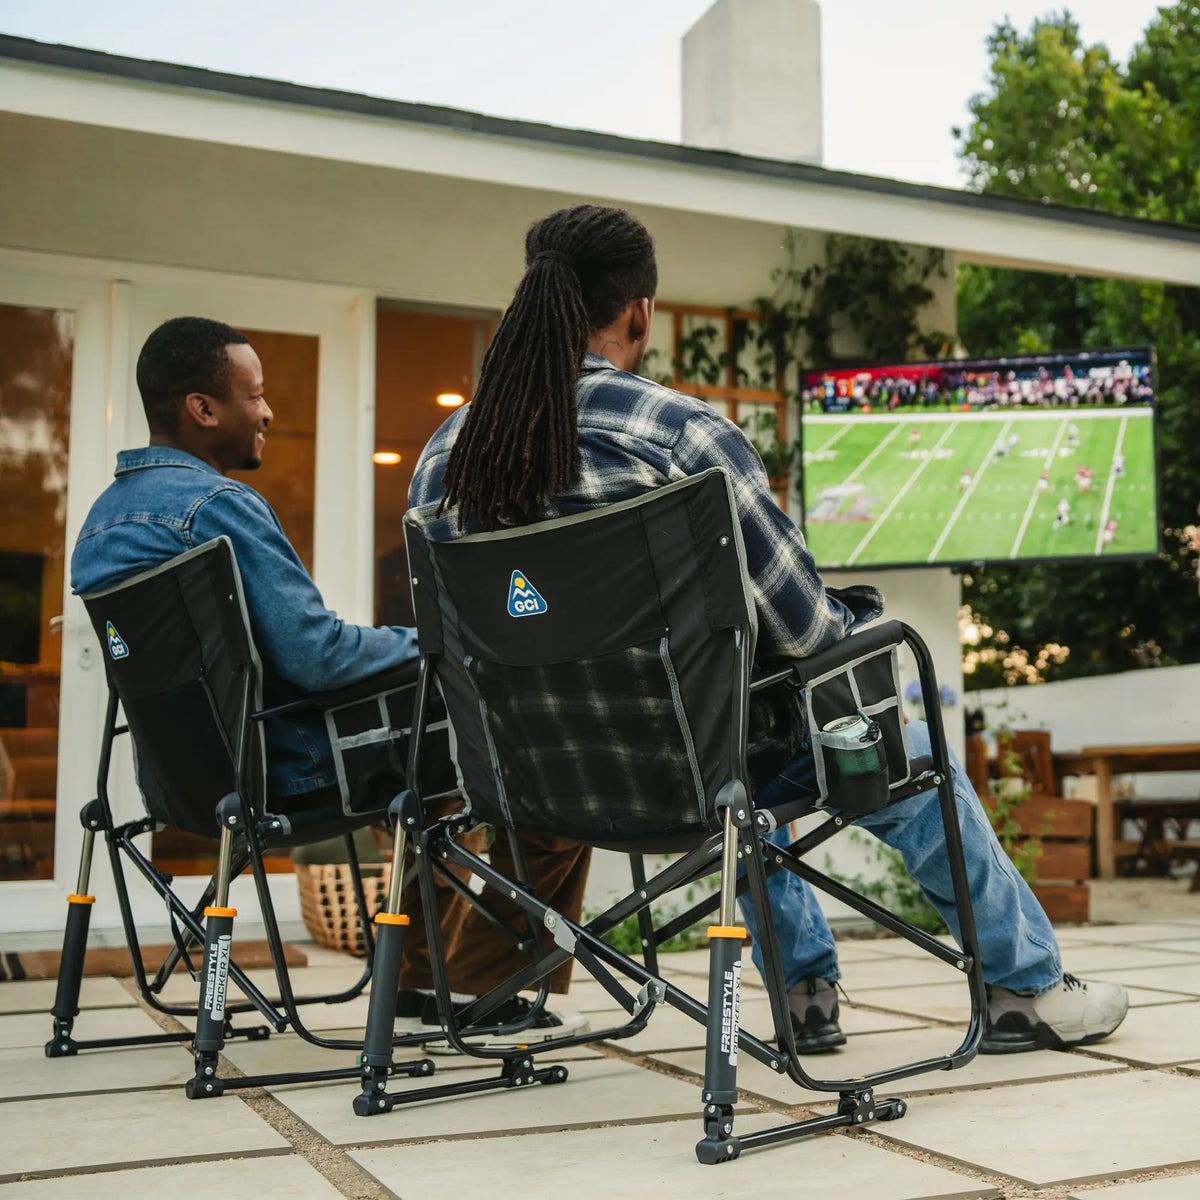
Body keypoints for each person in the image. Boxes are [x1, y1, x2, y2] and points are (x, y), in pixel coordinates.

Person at [409, 204, 1127, 1057]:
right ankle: (1024, 988)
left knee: (738, 737)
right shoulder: (679, 434)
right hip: (700, 773)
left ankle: (809, 991)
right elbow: (807, 634)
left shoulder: (441, 459)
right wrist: (857, 618)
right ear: (639, 311)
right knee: (865, 749)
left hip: (532, 786)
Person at [69, 316, 587, 1047]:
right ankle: (489, 989)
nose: (269, 412)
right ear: (203, 409)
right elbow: (319, 657)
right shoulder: (218, 507)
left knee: (435, 776)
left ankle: (415, 979)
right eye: (255, 396)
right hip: (299, 771)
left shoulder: (101, 525)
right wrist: (446, 643)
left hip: (191, 780)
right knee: (541, 746)